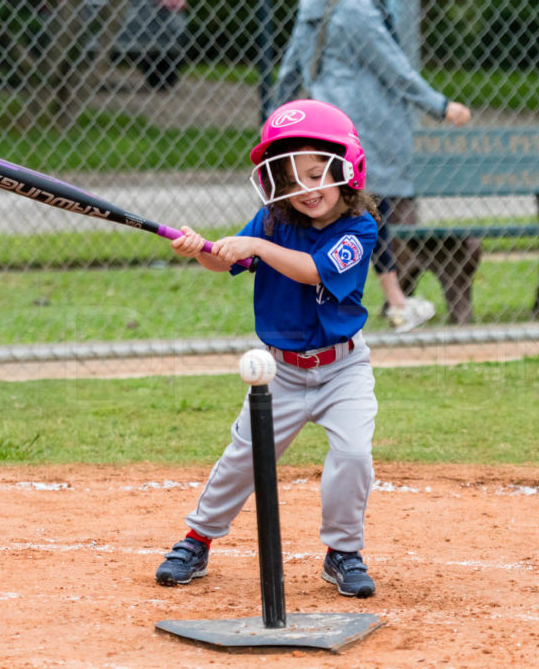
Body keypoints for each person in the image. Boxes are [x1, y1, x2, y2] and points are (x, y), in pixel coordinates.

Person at [156, 99, 381, 598]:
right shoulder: (272, 220)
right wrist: (203, 251)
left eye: (318, 174)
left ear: (348, 168)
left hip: (343, 369)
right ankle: (197, 540)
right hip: (280, 373)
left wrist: (253, 247)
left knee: (353, 454)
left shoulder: (359, 229)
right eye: (292, 178)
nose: (306, 189)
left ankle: (342, 552)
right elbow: (223, 262)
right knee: (244, 458)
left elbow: (312, 270)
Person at [273, 0, 472, 333]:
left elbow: (293, 64)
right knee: (367, 213)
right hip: (361, 128)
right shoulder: (354, 3)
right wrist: (439, 105)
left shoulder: (313, 0)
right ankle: (394, 303)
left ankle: (374, 301)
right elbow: (391, 65)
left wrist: (275, 119)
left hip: (323, 125)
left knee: (336, 214)